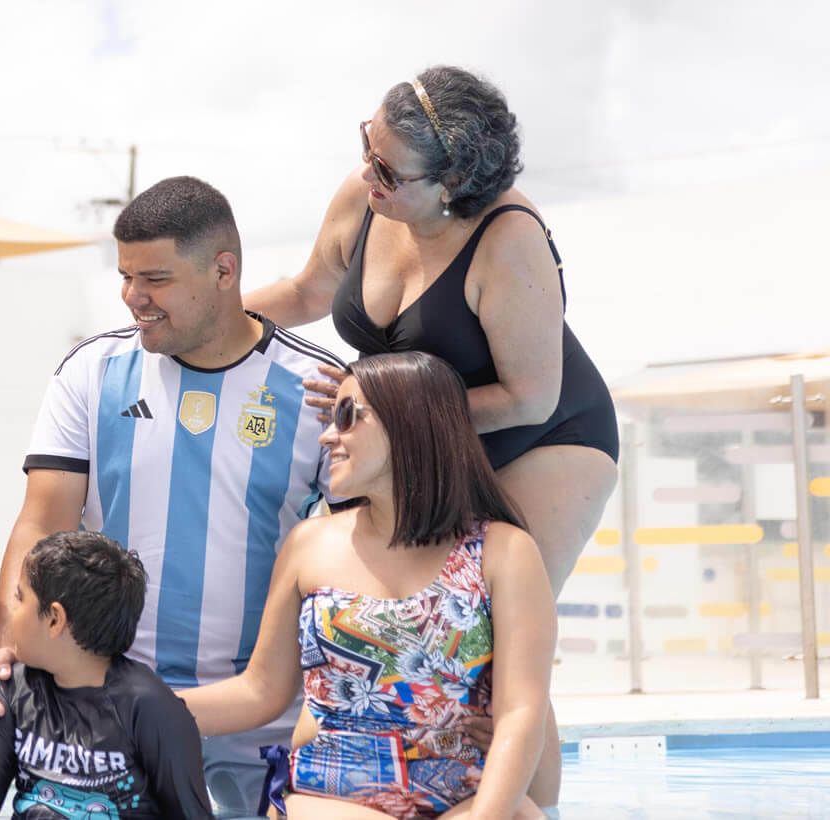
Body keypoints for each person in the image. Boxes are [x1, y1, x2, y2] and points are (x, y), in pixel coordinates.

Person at [241, 65, 618, 807]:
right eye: (365, 146)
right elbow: (308, 291)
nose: (365, 173)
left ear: (451, 186)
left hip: (543, 436)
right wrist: (212, 322)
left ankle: (525, 805)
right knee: (391, 622)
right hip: (408, 431)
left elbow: (528, 395)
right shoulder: (369, 194)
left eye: (386, 167)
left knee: (495, 634)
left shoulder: (509, 240)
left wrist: (377, 402)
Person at [0, 176, 345, 817]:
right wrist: (8, 652)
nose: (133, 298)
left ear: (224, 270)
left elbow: (355, 557)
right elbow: (41, 525)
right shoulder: (91, 370)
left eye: (155, 279)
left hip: (262, 713)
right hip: (111, 703)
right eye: (125, 277)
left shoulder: (318, 388)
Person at [177, 351, 553, 819]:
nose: (328, 434)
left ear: (409, 423)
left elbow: (521, 710)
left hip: (462, 796)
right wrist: (125, 708)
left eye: (348, 416)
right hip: (329, 799)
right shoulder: (309, 544)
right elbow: (260, 691)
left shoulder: (504, 551)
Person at [0, 530, 215, 820]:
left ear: (55, 619)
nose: (12, 611)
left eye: (20, 598)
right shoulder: (12, 690)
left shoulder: (152, 709)